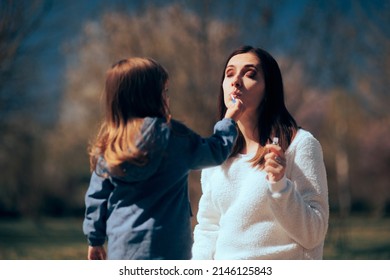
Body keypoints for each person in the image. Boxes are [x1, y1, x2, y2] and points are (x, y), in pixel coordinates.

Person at [82, 57, 244, 260]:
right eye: (165, 92)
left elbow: (97, 198)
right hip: (170, 249)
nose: (168, 98)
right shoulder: (174, 136)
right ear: (151, 97)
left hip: (123, 250)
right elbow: (216, 151)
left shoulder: (109, 145)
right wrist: (229, 120)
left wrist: (95, 240)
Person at [192, 46, 329, 260]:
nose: (236, 81)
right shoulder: (216, 154)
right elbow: (208, 228)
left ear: (268, 89)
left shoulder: (300, 145)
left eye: (249, 74)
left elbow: (314, 234)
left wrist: (280, 186)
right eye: (229, 74)